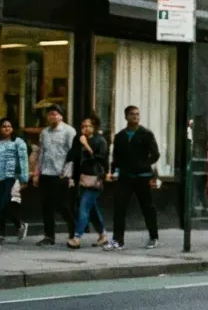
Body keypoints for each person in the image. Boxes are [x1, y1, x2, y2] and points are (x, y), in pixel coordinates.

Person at [108, 105, 162, 251]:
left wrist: (143, 165)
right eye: (132, 114)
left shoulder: (146, 134)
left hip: (143, 177)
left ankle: (154, 237)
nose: (135, 117)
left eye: (137, 114)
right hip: (125, 177)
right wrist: (113, 171)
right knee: (119, 208)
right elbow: (116, 157)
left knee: (147, 207)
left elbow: (155, 154)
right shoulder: (120, 136)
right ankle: (118, 240)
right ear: (126, 117)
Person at [33, 104, 76, 246]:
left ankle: (74, 231)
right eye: (50, 114)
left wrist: (69, 175)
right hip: (46, 173)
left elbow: (73, 154)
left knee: (62, 205)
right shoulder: (44, 132)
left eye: (56, 114)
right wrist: (37, 173)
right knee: (46, 206)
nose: (53, 116)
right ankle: (49, 236)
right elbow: (41, 153)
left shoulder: (69, 131)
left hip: (61, 174)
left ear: (61, 116)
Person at [65, 117, 109, 250]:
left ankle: (77, 237)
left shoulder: (100, 141)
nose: (85, 128)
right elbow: (71, 156)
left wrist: (86, 145)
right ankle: (103, 235)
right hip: (82, 179)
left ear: (94, 127)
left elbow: (101, 159)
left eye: (88, 126)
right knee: (92, 209)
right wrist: (77, 144)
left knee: (83, 208)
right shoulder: (79, 139)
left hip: (95, 179)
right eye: (83, 126)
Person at [0, 117, 28, 244]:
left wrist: (24, 178)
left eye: (9, 126)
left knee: (3, 204)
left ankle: (17, 225)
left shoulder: (18, 142)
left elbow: (23, 161)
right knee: (4, 206)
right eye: (3, 126)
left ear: (13, 128)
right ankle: (13, 227)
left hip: (11, 177)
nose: (6, 128)